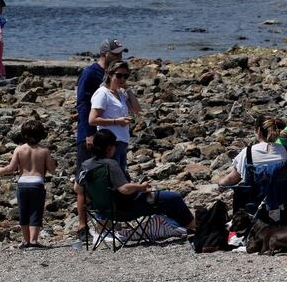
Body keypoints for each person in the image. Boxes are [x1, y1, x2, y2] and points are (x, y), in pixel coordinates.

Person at [78, 129, 196, 230]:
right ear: (109, 147)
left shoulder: (85, 165)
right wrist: (141, 187)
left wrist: (98, 197)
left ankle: (176, 225)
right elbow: (124, 189)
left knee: (161, 201)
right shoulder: (110, 164)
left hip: (102, 211)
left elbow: (77, 188)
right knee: (173, 198)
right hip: (124, 211)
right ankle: (193, 226)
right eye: (114, 145)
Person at [74, 39, 127, 241]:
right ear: (105, 53)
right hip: (89, 135)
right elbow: (82, 104)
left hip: (109, 138)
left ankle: (106, 224)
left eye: (121, 53)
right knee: (85, 180)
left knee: (109, 179)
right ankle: (82, 226)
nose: (120, 56)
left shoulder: (114, 76)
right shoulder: (90, 72)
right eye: (116, 53)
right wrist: (88, 133)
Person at [0, 120, 57, 248]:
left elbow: (11, 168)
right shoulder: (44, 151)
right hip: (37, 183)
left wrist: (1, 170)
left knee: (24, 212)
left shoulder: (19, 149)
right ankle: (34, 241)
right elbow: (52, 168)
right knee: (35, 211)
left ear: (23, 135)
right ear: (41, 135)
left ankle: (25, 240)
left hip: (23, 183)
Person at [88, 60, 141, 174]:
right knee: (114, 178)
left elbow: (136, 109)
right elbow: (92, 120)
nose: (122, 79)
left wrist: (127, 89)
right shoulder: (103, 93)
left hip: (122, 142)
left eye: (125, 76)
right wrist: (116, 121)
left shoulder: (120, 93)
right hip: (110, 144)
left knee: (120, 176)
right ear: (110, 74)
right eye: (119, 75)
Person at [218, 116, 287, 187]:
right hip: (283, 196)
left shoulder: (248, 152)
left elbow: (232, 179)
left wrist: (220, 183)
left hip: (257, 196)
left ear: (258, 130)